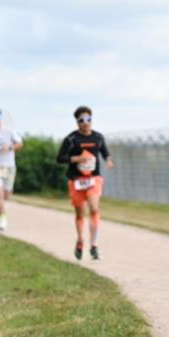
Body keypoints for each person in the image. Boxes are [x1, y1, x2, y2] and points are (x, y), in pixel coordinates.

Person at [57, 106, 113, 260]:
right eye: (82, 120)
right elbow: (60, 158)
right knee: (80, 212)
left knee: (94, 209)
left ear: (91, 120)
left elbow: (105, 152)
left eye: (88, 119)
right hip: (76, 180)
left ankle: (94, 245)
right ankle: (80, 240)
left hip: (93, 179)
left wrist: (108, 160)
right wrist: (75, 159)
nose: (85, 123)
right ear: (77, 122)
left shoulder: (98, 137)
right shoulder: (71, 139)